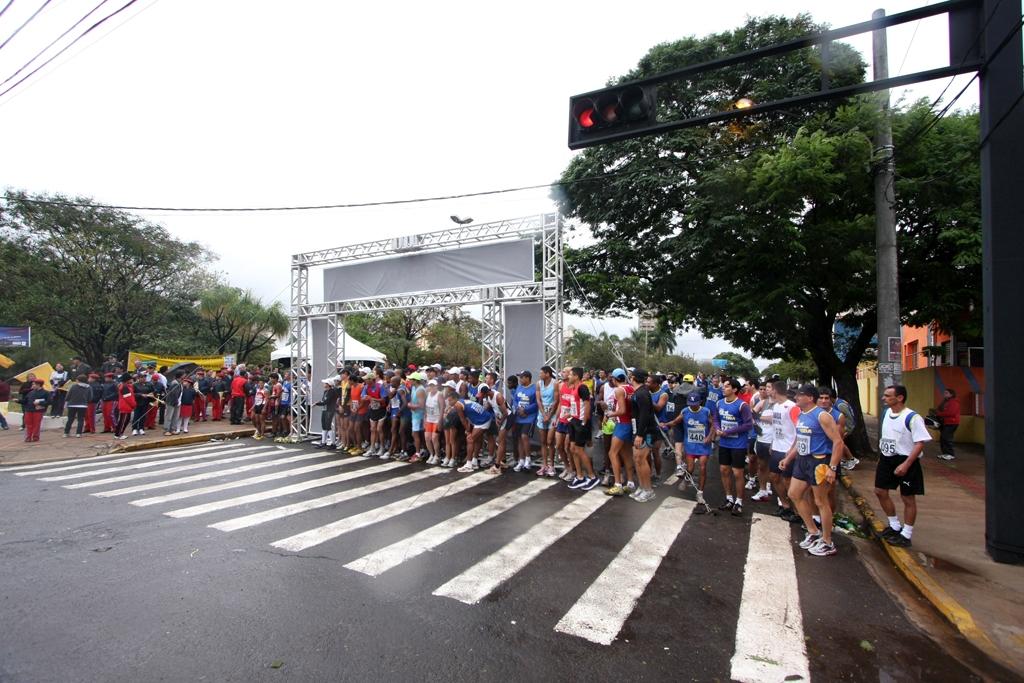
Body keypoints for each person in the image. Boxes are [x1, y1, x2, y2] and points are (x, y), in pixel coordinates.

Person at [779, 384, 845, 557]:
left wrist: (832, 467)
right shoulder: (802, 415)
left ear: (809, 398)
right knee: (794, 494)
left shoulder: (822, 416)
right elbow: (800, 439)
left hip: (819, 462)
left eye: (799, 396)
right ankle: (813, 531)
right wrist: (788, 458)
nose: (796, 398)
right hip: (802, 460)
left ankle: (827, 541)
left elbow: (838, 442)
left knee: (820, 501)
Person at [876, 384, 931, 548]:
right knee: (880, 491)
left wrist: (906, 464)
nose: (884, 398)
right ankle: (894, 525)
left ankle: (906, 534)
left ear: (899, 398)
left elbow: (920, 443)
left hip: (906, 459)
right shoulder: (886, 413)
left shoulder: (912, 417)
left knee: (907, 497)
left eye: (887, 395)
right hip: (887, 458)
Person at [713, 377, 754, 516]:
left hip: (738, 444)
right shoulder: (719, 403)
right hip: (724, 443)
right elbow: (716, 419)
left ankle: (739, 501)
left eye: (727, 386)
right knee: (724, 470)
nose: (723, 388)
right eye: (723, 386)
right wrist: (718, 429)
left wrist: (728, 431)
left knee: (737, 473)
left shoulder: (742, 405)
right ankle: (729, 498)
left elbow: (748, 424)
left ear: (735, 389)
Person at [561, 367, 597, 490]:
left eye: (570, 375)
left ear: (576, 376)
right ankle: (580, 476)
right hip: (573, 421)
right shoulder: (573, 388)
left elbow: (587, 406)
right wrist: (570, 414)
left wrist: (584, 422)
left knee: (580, 450)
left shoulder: (582, 387)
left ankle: (592, 477)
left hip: (580, 423)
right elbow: (577, 406)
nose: (568, 377)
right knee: (572, 449)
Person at [769, 380, 799, 522]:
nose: (769, 392)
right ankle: (785, 505)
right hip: (776, 447)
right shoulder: (775, 406)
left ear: (775, 391)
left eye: (771, 390)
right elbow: (776, 426)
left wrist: (793, 449)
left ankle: (796, 510)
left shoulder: (792, 407)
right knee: (774, 477)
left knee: (788, 481)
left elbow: (799, 430)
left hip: (788, 450)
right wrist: (772, 443)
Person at [604, 368, 637, 496]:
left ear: (615, 378)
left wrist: (610, 414)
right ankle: (630, 483)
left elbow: (622, 410)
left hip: (622, 423)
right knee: (626, 454)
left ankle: (617, 484)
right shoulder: (630, 388)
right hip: (630, 423)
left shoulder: (619, 390)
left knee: (612, 453)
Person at [629, 369, 659, 502]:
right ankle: (641, 487)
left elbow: (645, 415)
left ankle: (649, 490)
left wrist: (640, 434)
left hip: (646, 432)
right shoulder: (638, 392)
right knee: (637, 459)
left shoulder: (642, 394)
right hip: (638, 430)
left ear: (633, 377)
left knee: (641, 459)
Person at [456, 385, 494, 472]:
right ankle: (474, 461)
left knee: (470, 440)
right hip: (481, 419)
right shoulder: (464, 402)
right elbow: (469, 418)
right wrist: (469, 429)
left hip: (483, 421)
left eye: (449, 400)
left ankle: (469, 465)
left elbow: (463, 420)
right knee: (477, 440)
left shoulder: (458, 405)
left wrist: (468, 431)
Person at [749, 382, 774, 502]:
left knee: (776, 470)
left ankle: (781, 496)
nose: (765, 390)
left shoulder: (785, 404)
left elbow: (775, 419)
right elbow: (752, 413)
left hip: (777, 442)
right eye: (764, 388)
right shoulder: (763, 402)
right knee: (762, 465)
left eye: (768, 388)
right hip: (762, 439)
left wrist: (759, 417)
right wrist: (757, 420)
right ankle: (763, 489)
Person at [535, 365, 559, 477]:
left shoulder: (555, 383)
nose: (540, 375)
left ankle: (552, 465)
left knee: (550, 441)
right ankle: (544, 465)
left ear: (547, 374)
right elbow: (538, 400)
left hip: (552, 414)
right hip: (542, 413)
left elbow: (556, 401)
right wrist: (543, 414)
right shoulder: (538, 384)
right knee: (543, 441)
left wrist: (549, 415)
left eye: (541, 373)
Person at [935, 388, 960, 460]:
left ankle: (950, 454)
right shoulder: (946, 402)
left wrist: (939, 414)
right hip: (945, 422)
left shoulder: (954, 402)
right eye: (944, 393)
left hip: (952, 422)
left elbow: (951, 413)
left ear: (951, 394)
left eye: (946, 393)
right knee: (943, 438)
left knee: (947, 438)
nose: (944, 394)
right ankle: (945, 453)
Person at [424, 379, 443, 464]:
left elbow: (442, 408)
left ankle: (437, 455)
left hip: (436, 419)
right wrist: (424, 419)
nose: (431, 387)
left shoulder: (439, 395)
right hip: (429, 419)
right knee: (427, 437)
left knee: (434, 438)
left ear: (436, 386)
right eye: (430, 385)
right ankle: (431, 454)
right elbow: (425, 408)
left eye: (433, 385)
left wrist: (440, 421)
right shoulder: (427, 394)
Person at [164, 371, 183, 436]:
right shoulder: (174, 383)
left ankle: (173, 429)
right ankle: (167, 430)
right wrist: (176, 401)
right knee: (169, 416)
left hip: (178, 402)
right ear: (180, 376)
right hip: (172, 402)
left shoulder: (180, 383)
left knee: (175, 416)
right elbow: (174, 394)